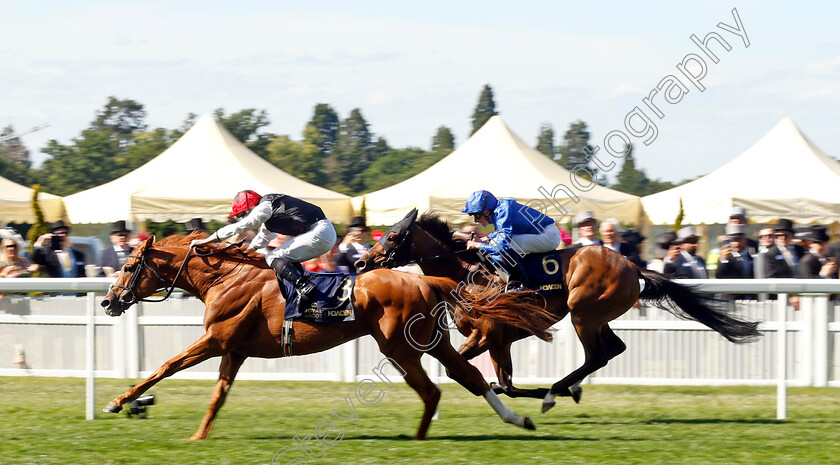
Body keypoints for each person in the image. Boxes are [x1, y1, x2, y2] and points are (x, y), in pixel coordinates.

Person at [190, 190, 337, 307]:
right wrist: (245, 252)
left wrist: (206, 240)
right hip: (323, 232)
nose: (243, 217)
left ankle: (304, 287)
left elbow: (242, 226)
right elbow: (262, 239)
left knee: (272, 257)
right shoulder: (270, 215)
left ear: (251, 206)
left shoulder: (264, 206)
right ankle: (301, 291)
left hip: (320, 232)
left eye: (243, 214)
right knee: (281, 258)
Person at [461, 190, 561, 284]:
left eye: (477, 216)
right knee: (498, 243)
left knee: (506, 245)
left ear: (486, 212)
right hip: (543, 233)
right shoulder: (500, 210)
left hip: (548, 236)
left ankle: (520, 283)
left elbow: (502, 246)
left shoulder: (503, 212)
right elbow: (501, 234)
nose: (476, 220)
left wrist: (478, 245)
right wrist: (484, 240)